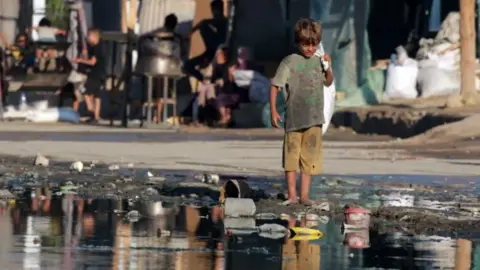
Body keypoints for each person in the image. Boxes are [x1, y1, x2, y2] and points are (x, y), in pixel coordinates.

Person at [269, 18, 334, 206]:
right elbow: (275, 85)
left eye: (314, 44)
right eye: (306, 44)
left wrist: (328, 68)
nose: (310, 48)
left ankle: (304, 196)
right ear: (298, 42)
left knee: (309, 158)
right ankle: (291, 195)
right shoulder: (290, 62)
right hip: (294, 119)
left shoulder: (319, 61)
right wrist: (273, 110)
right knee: (291, 157)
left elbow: (328, 82)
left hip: (314, 119)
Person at [182, 0, 227, 84]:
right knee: (187, 66)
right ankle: (205, 82)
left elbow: (203, 23)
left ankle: (207, 81)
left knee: (203, 25)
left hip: (216, 52)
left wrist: (190, 33)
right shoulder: (220, 22)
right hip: (211, 52)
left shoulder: (223, 21)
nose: (213, 13)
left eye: (214, 10)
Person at [72, 28, 106, 123]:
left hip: (95, 74)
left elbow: (92, 62)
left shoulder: (97, 48)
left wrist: (79, 60)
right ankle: (96, 116)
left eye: (89, 36)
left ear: (94, 36)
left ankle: (91, 109)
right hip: (101, 74)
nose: (88, 38)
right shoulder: (100, 45)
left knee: (85, 90)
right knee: (97, 96)